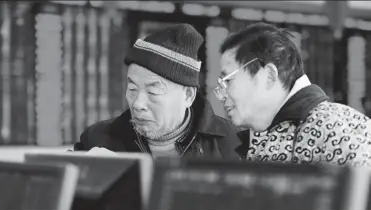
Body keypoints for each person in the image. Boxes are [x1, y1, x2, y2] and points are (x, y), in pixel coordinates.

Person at [73, 23, 241, 159]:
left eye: (153, 92)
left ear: (188, 95)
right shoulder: (97, 139)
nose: (138, 104)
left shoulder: (233, 144)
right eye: (132, 88)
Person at [214, 22, 371, 166]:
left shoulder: (335, 131)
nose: (220, 95)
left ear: (268, 75)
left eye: (228, 81)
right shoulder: (271, 136)